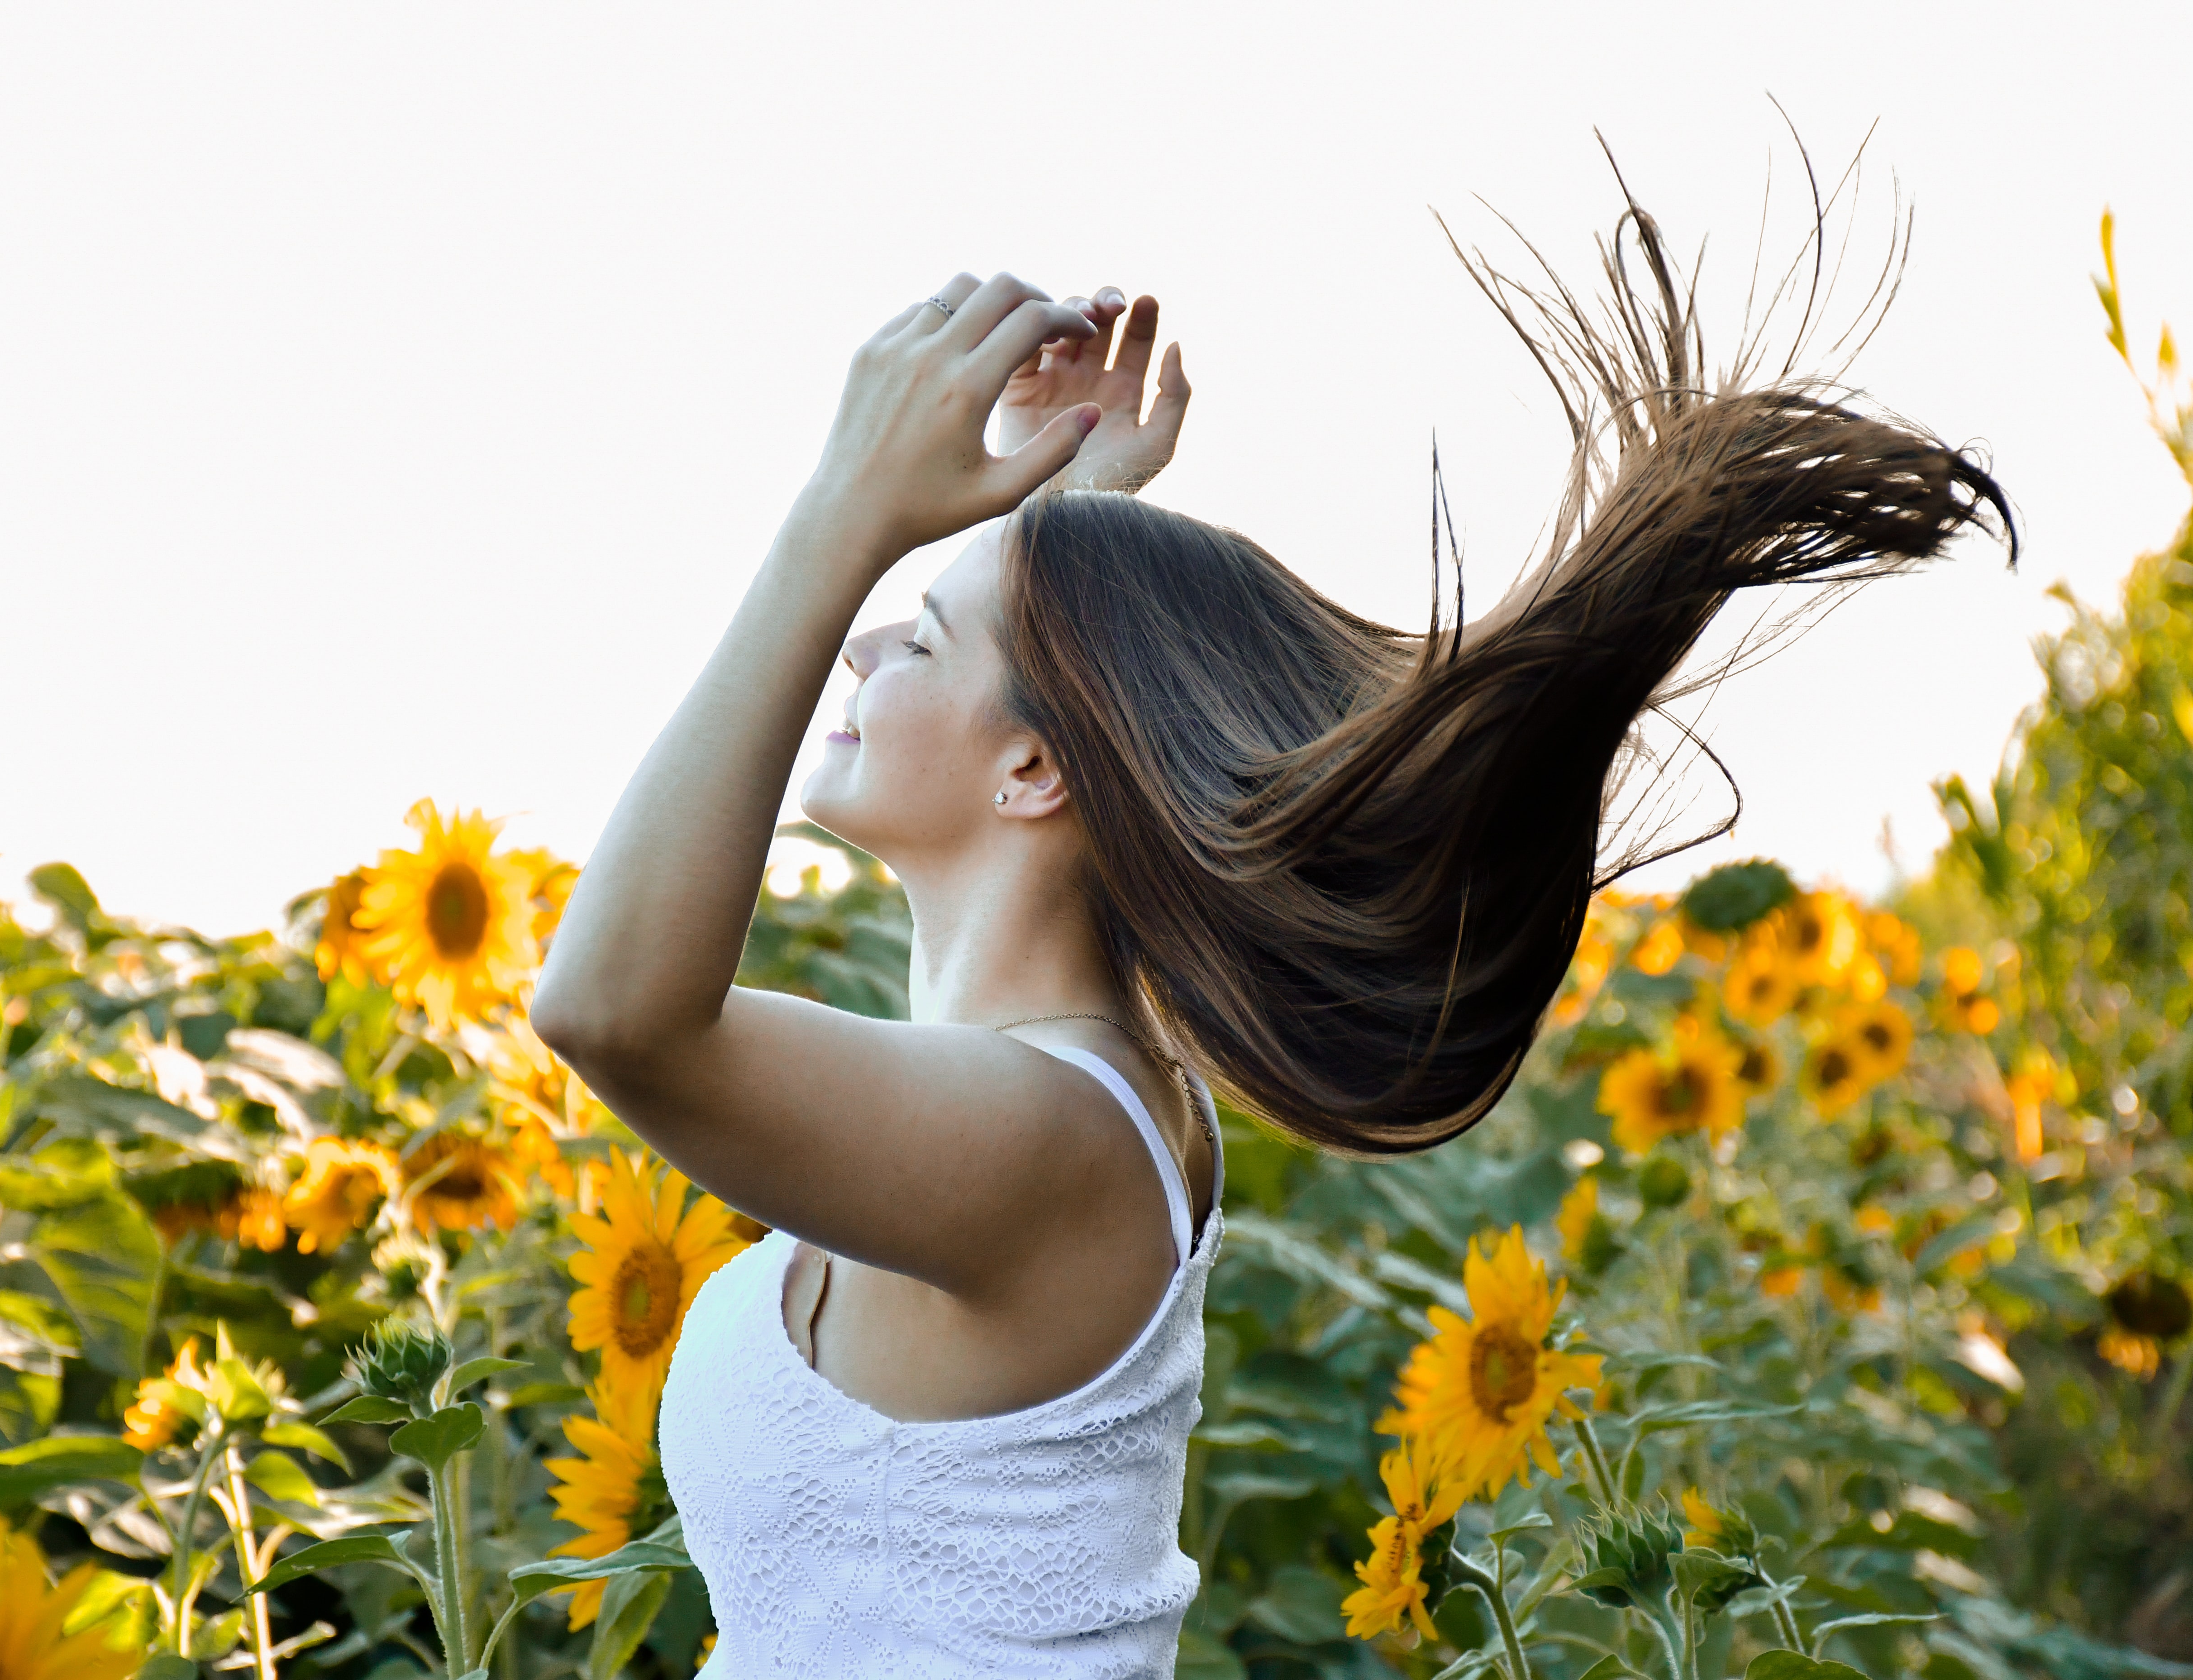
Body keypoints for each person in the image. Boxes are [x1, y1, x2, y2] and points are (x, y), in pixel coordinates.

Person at [533, 206, 2010, 1676]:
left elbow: (616, 1008)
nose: (859, 642)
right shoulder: (1037, 1105)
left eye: (914, 635)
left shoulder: (1054, 1136)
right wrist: (1070, 530)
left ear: (1038, 774)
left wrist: (843, 510)